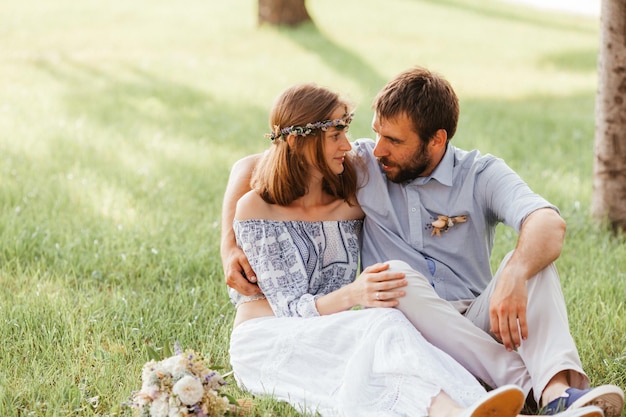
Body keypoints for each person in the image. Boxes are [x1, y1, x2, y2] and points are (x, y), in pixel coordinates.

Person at [220, 68, 625, 417]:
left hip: (474, 322)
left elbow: (548, 223)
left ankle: (557, 394)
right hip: (407, 328)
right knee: (392, 277)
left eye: (394, 141)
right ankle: (527, 382)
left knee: (537, 264)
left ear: (436, 140)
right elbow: (258, 162)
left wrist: (516, 272)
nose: (377, 148)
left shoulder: (479, 174)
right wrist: (230, 244)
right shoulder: (366, 164)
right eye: (377, 134)